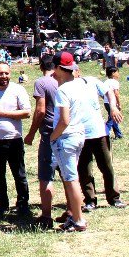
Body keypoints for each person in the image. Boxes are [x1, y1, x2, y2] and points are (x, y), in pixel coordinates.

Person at [0, 62, 31, 218]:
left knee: (19, 174)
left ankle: (23, 204)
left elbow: (27, 113)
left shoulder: (18, 90)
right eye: (0, 73)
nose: (4, 76)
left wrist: (4, 114)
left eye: (6, 73)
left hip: (14, 139)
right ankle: (2, 203)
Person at [50, 52, 93, 232]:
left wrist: (53, 136)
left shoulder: (63, 90)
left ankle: (78, 220)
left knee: (71, 179)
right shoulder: (80, 85)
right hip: (79, 135)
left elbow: (64, 120)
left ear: (60, 68)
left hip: (66, 137)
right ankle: (75, 216)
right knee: (71, 176)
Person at [77, 74, 125, 211]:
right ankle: (90, 200)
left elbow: (108, 91)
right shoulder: (65, 87)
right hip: (79, 134)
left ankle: (114, 198)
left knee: (107, 167)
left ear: (78, 72)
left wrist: (113, 107)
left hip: (99, 132)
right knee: (84, 169)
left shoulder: (91, 81)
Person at [23, 54, 58, 228]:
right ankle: (73, 211)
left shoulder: (41, 82)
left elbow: (41, 111)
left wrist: (30, 134)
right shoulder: (65, 79)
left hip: (49, 133)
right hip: (67, 132)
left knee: (46, 175)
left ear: (40, 66)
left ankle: (46, 215)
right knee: (68, 175)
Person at [102, 66, 124, 139]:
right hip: (112, 103)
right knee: (111, 120)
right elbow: (116, 94)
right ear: (113, 73)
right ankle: (104, 133)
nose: (118, 74)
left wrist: (105, 99)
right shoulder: (115, 82)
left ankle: (118, 134)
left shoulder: (105, 82)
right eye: (117, 72)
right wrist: (119, 104)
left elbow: (102, 93)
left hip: (106, 103)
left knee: (114, 118)